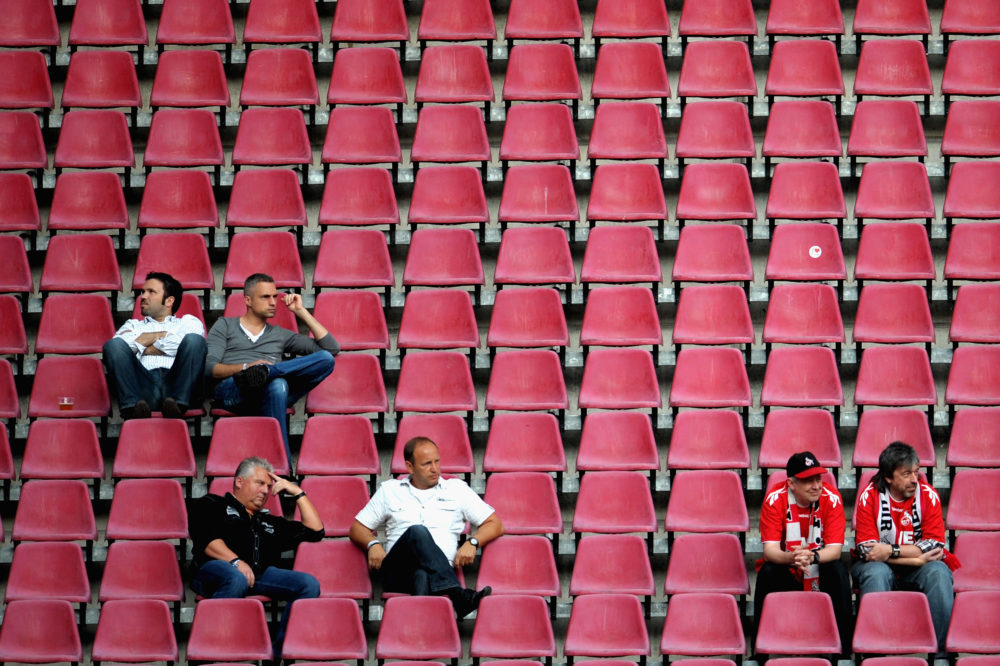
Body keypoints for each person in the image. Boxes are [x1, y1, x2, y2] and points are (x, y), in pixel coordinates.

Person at [349, 436, 504, 618]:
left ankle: (419, 637)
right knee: (418, 531)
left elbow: (496, 525)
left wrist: (473, 542)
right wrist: (373, 544)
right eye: (426, 464)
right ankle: (458, 594)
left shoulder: (457, 490)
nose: (435, 469)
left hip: (436, 574)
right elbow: (356, 529)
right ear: (410, 467)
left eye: (437, 461)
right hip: (397, 572)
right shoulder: (390, 491)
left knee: (421, 575)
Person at [188, 456, 323, 658]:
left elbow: (315, 531)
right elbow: (206, 539)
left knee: (308, 584)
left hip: (258, 576)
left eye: (269, 486)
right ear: (239, 482)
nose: (265, 491)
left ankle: (277, 656)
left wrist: (297, 492)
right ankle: (209, 652)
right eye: (260, 483)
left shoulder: (268, 522)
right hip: (214, 570)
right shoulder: (212, 504)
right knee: (236, 577)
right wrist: (235, 562)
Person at [205, 273, 339, 462]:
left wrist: (301, 311)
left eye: (275, 296)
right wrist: (247, 367)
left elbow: (331, 348)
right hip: (234, 392)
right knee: (278, 385)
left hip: (270, 392)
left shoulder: (280, 334)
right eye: (265, 297)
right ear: (248, 300)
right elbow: (210, 368)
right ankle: (283, 468)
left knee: (323, 360)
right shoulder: (225, 325)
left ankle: (268, 372)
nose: (273, 302)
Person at [853, 441, 960, 656]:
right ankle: (874, 652)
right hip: (880, 566)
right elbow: (869, 551)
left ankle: (941, 654)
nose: (914, 479)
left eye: (917, 472)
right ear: (889, 477)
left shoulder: (927, 495)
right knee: (876, 572)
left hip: (914, 568)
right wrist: (916, 558)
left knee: (939, 573)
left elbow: (934, 546)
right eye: (907, 474)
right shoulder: (869, 496)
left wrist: (890, 552)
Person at [754, 452, 853, 655]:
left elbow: (834, 551)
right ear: (791, 483)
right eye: (809, 481)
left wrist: (812, 556)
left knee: (838, 570)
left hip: (819, 565)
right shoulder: (775, 499)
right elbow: (771, 550)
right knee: (768, 572)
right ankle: (759, 651)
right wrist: (791, 558)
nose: (817, 486)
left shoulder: (831, 498)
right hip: (788, 568)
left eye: (819, 479)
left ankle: (844, 651)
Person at [102, 272, 206, 419]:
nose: (143, 296)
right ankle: (132, 408)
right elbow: (117, 352)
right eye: (143, 292)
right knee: (114, 345)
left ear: (169, 301)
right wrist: (161, 335)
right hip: (143, 389)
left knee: (194, 341)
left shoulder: (188, 322)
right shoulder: (132, 325)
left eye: (151, 292)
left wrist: (143, 344)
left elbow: (188, 346)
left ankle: (178, 405)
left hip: (178, 386)